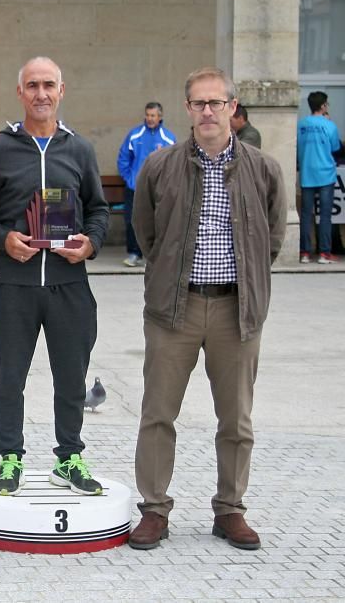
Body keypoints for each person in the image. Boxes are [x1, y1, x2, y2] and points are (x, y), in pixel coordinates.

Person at [128, 67, 286, 551]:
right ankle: (154, 509)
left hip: (236, 311)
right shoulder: (160, 165)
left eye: (217, 102)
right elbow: (146, 232)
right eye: (199, 103)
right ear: (188, 109)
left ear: (233, 108)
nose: (208, 111)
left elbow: (273, 239)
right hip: (174, 309)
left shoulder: (264, 168)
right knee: (158, 414)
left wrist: (249, 283)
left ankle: (230, 510)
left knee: (236, 419)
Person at [0, 57, 109, 496]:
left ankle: (69, 457)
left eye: (49, 85)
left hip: (70, 284)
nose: (41, 94)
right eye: (32, 85)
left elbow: (99, 209)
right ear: (19, 92)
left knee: (72, 377)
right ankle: (10, 458)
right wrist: (2, 237)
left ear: (62, 91)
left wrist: (91, 243)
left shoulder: (79, 148)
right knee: (10, 377)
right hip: (15, 284)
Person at [116, 102, 175, 267]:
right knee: (132, 221)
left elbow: (173, 164)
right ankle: (134, 254)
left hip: (158, 190)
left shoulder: (168, 138)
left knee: (158, 221)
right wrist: (129, 179)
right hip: (135, 188)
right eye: (147, 115)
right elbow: (123, 159)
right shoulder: (135, 135)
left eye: (153, 115)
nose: (149, 118)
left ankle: (155, 256)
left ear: (160, 117)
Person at [297, 91, 340, 264]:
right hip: (326, 174)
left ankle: (305, 253)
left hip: (307, 174)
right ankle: (324, 254)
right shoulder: (330, 125)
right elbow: (335, 148)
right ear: (323, 106)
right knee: (325, 216)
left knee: (306, 215)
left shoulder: (301, 124)